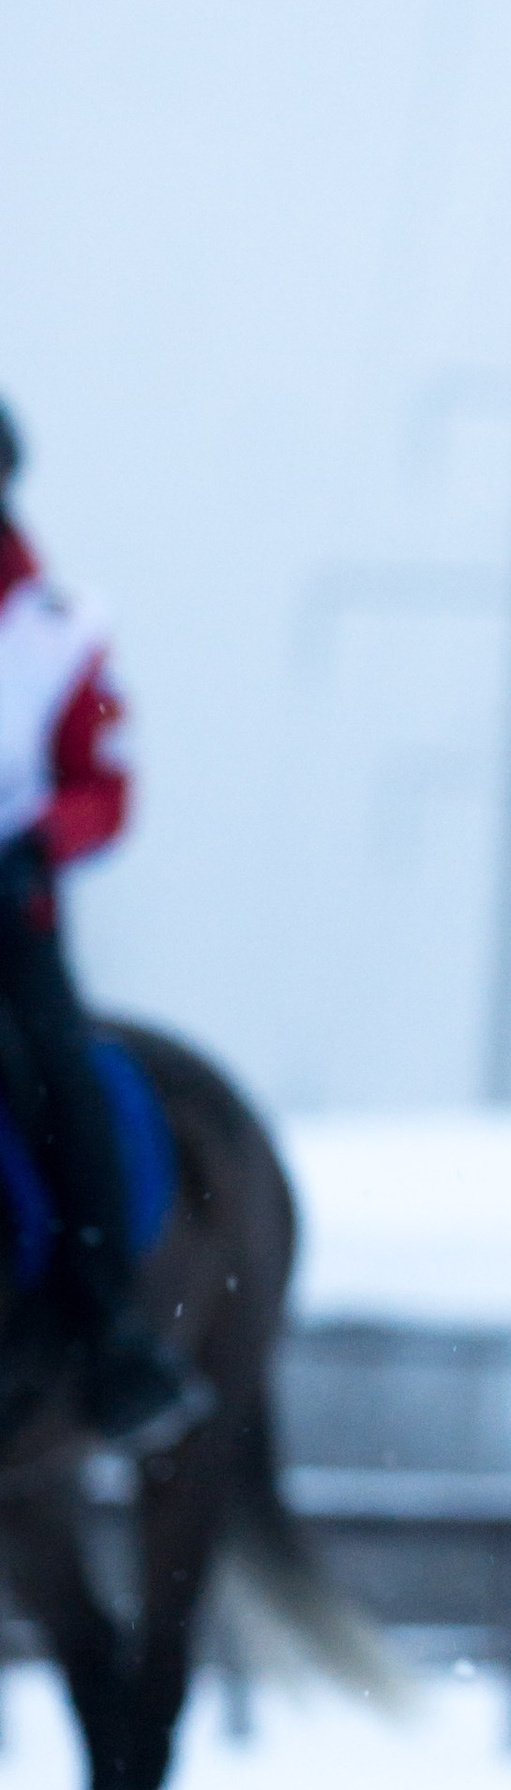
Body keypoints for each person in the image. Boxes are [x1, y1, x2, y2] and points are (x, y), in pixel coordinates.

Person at [0, 405, 211, 1453]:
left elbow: (104, 785)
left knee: (60, 1079)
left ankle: (107, 1326)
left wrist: (39, 843)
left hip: (9, 917)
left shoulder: (59, 629)